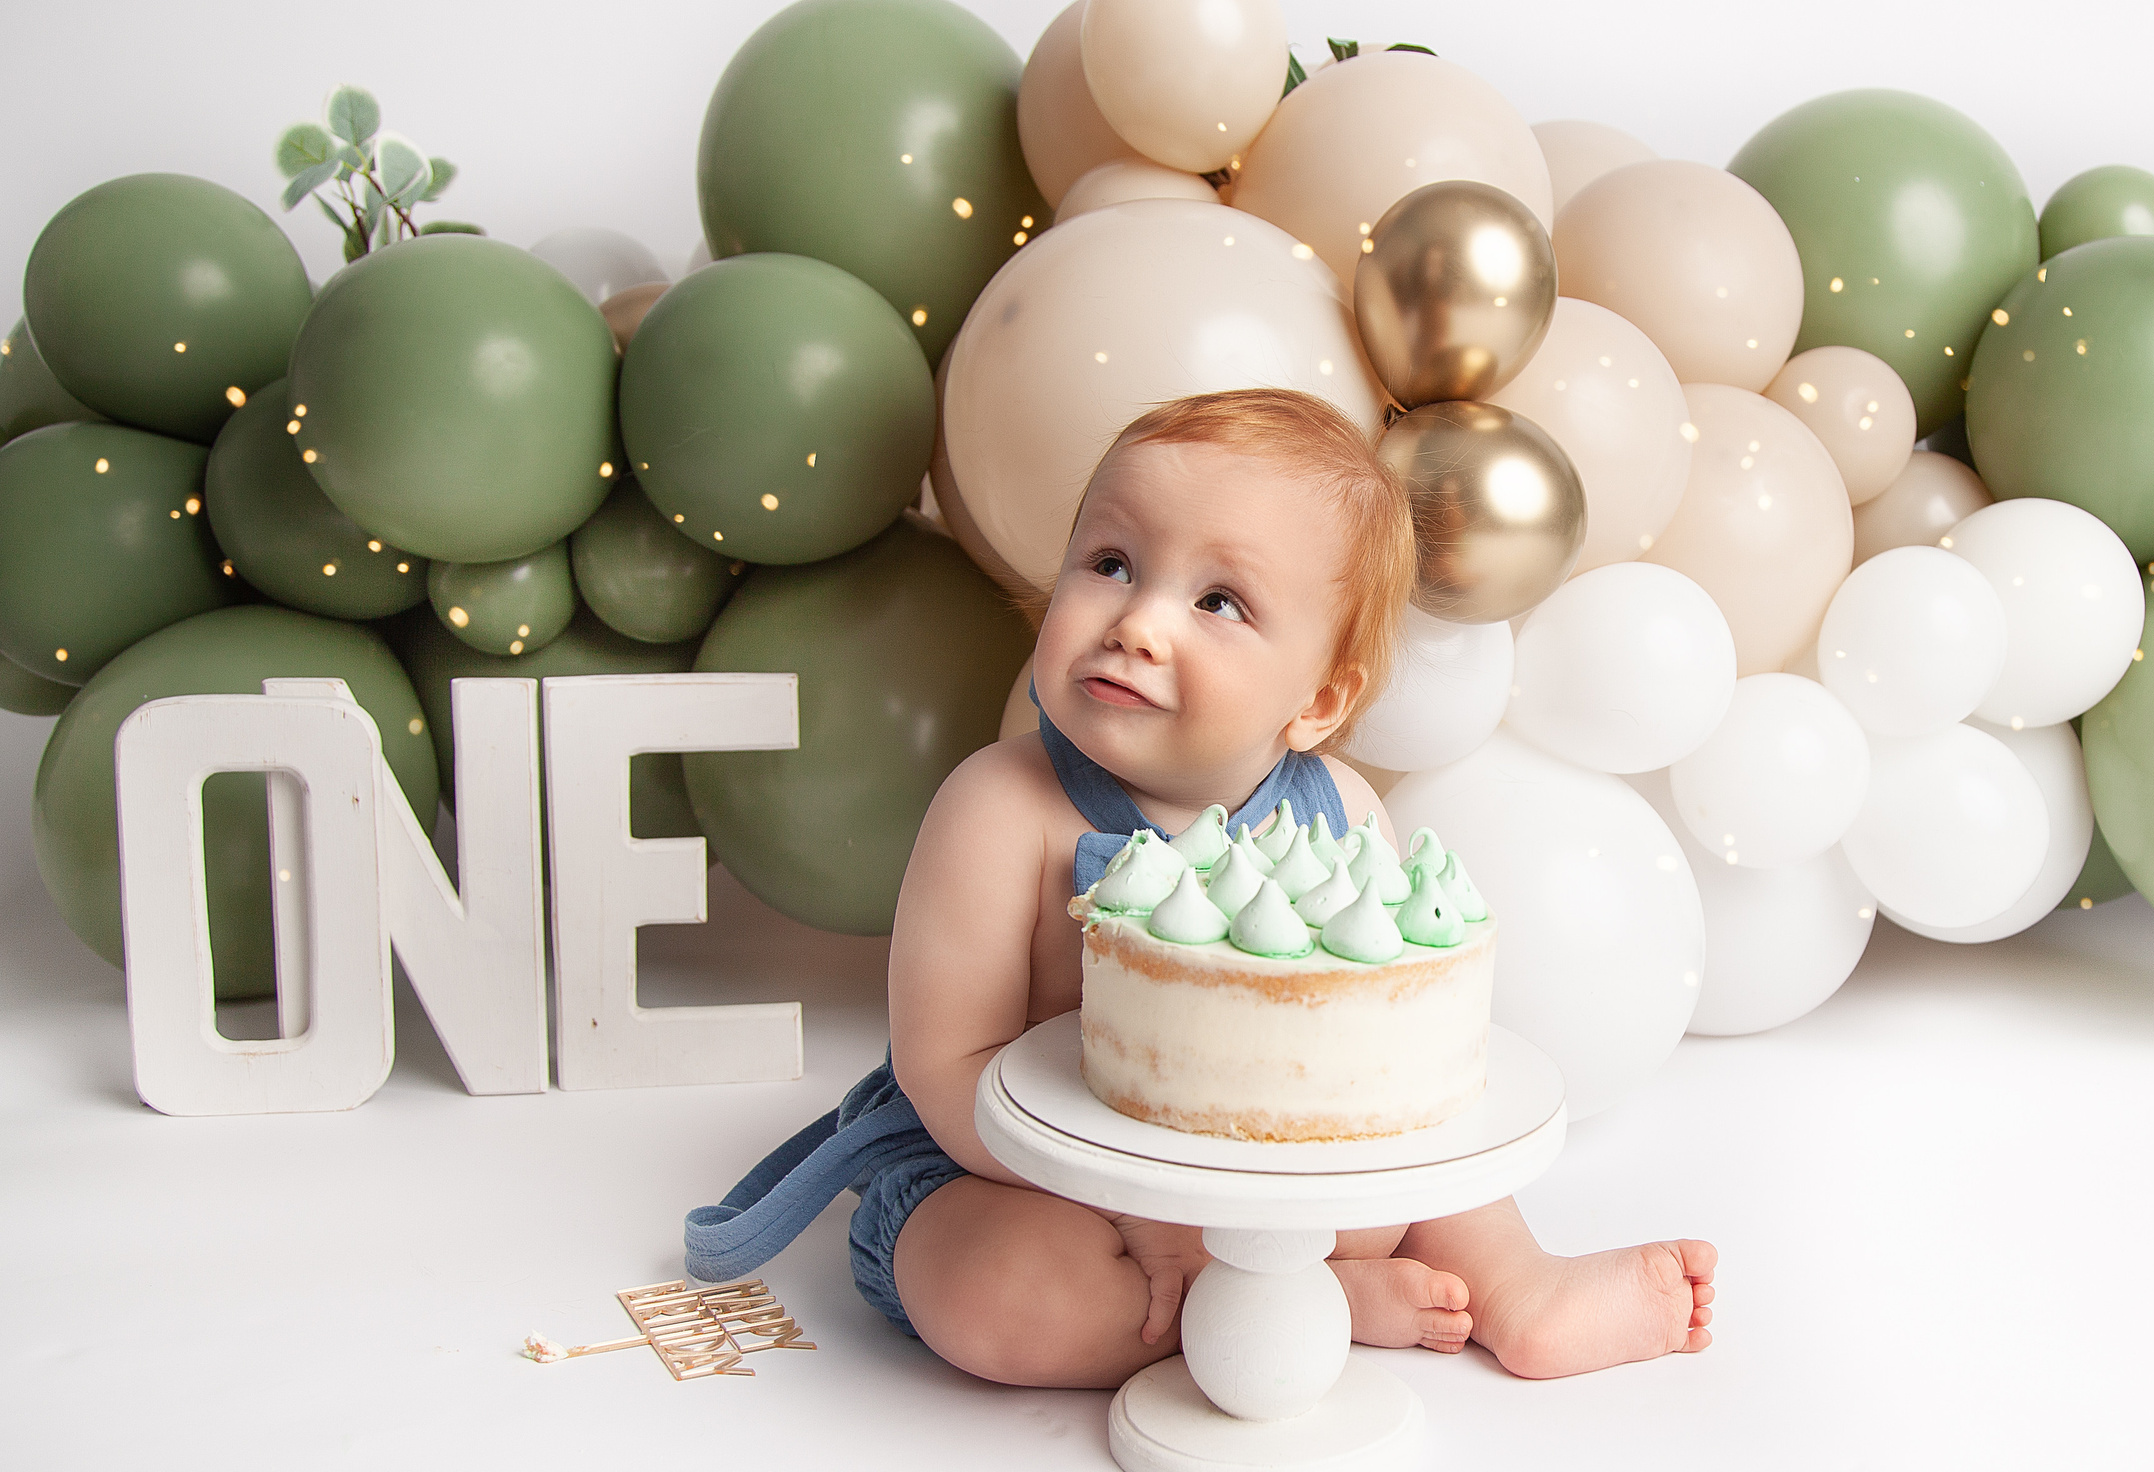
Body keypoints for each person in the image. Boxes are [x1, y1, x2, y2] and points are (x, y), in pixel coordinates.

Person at [687, 388, 1715, 1388]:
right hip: (1017, 1169)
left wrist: (1275, 1191)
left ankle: (1518, 1287)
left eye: (1218, 601)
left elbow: (1378, 1047)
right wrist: (1138, 1204)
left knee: (1407, 1173)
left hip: (1262, 1162)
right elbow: (947, 1068)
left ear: (1319, 699)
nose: (1137, 622)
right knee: (995, 1289)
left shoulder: (1341, 818)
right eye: (1111, 563)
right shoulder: (998, 810)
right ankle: (1301, 1309)